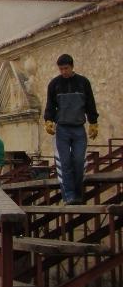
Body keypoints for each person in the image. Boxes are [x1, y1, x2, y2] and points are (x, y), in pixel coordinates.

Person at [44, 53, 99, 205]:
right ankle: (69, 196)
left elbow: (90, 104)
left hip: (78, 129)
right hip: (62, 129)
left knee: (79, 161)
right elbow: (50, 106)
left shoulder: (83, 82)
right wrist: (48, 120)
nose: (63, 72)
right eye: (60, 69)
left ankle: (78, 194)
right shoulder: (54, 84)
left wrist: (93, 122)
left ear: (72, 66)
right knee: (65, 162)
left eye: (66, 68)